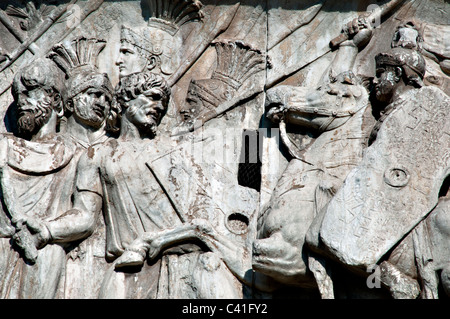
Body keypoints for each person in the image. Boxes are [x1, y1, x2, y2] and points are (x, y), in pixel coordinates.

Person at [0, 58, 77, 299]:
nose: (22, 102)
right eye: (18, 95)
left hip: (47, 254)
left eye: (31, 92)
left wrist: (46, 231)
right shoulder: (5, 146)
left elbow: (85, 214)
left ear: (55, 99)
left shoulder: (74, 153)